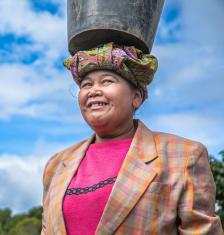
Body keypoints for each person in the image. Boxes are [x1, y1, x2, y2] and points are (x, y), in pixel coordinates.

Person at [41, 42, 223, 235]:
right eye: (87, 84)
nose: (93, 90)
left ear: (136, 97)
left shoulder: (185, 155)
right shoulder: (56, 164)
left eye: (107, 81)